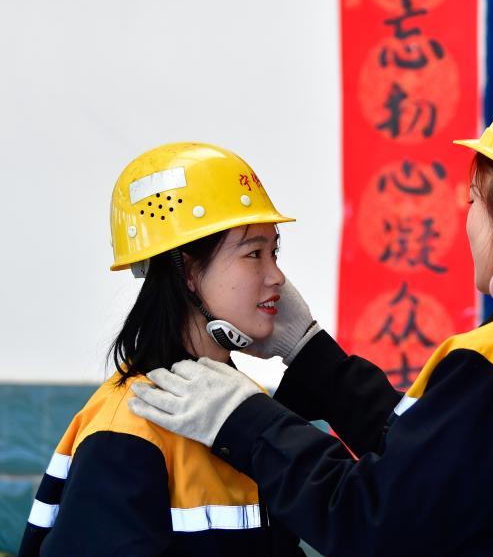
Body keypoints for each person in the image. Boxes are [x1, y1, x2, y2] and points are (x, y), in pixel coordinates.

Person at [130, 77, 493, 556]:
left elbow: (369, 519)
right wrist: (309, 353)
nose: (469, 220)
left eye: (473, 199)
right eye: (253, 253)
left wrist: (246, 420)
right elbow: (441, 462)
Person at [19, 143, 308, 556]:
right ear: (187, 270)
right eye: (253, 254)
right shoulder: (129, 430)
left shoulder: (245, 408)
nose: (277, 276)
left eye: (274, 252)